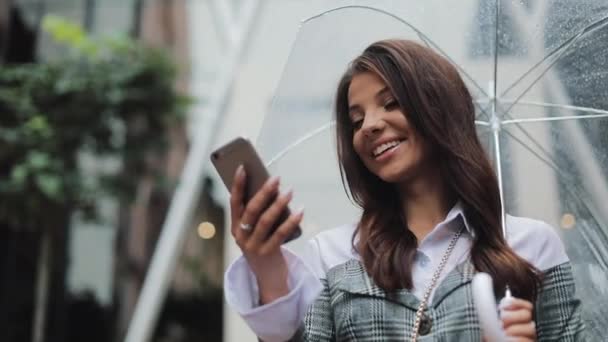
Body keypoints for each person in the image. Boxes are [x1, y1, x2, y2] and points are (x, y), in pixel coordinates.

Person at [224, 39, 585, 341]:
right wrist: (269, 273)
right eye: (356, 119)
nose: (369, 126)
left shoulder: (531, 245)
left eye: (390, 103)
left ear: (437, 106)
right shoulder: (332, 255)